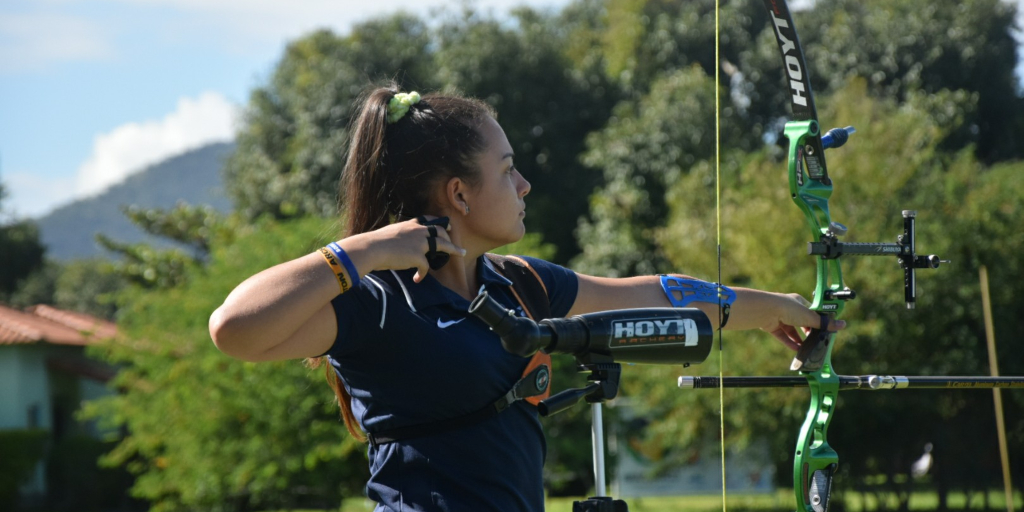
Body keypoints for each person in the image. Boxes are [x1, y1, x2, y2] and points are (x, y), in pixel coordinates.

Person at [208, 84, 846, 512]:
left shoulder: (519, 283)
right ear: (459, 195)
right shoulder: (376, 299)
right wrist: (366, 251)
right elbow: (234, 328)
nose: (525, 183)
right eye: (508, 168)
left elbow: (652, 295)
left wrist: (777, 309)